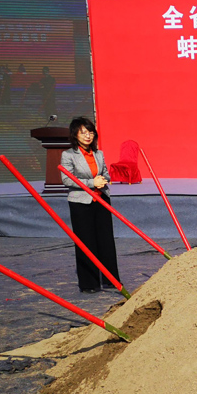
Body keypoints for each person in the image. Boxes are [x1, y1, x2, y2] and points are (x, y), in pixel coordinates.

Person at [60, 117, 120, 293]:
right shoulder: (68, 155)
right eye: (83, 132)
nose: (88, 136)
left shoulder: (98, 154)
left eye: (91, 132)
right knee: (86, 242)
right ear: (75, 135)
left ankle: (110, 279)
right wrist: (91, 182)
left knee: (106, 241)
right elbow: (67, 179)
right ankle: (89, 283)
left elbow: (106, 173)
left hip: (101, 200)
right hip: (81, 203)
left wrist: (103, 180)